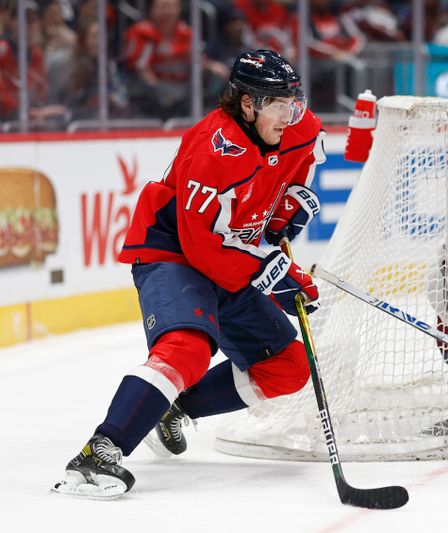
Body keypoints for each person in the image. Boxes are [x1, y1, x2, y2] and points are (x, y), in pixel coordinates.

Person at [52, 49, 326, 500]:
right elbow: (203, 247)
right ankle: (98, 453)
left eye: (293, 101)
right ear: (247, 104)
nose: (289, 114)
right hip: (173, 251)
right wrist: (273, 274)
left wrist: (286, 214)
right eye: (277, 104)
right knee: (187, 348)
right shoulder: (212, 149)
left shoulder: (298, 125)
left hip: (228, 252)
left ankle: (170, 407)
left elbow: (302, 164)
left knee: (289, 367)